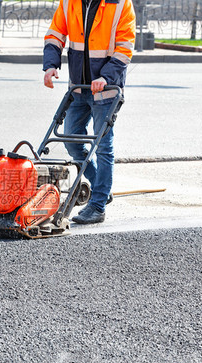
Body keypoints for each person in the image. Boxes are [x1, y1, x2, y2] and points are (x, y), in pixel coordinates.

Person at [43, 0, 136, 224]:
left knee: (103, 146)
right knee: (72, 140)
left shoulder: (121, 4)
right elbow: (55, 34)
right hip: (78, 87)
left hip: (106, 89)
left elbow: (125, 48)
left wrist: (106, 76)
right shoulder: (69, 2)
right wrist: (50, 65)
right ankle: (100, 188)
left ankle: (98, 205)